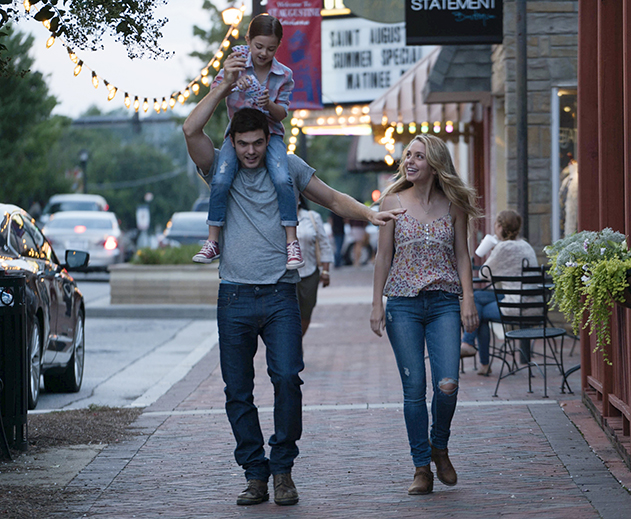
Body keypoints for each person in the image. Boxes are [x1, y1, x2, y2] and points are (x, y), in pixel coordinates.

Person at [183, 96, 404, 505]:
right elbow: (190, 130)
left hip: (281, 293)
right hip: (233, 294)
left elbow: (332, 198)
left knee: (287, 378)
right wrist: (223, 85)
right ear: (232, 141)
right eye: (243, 143)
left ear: (269, 140)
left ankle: (282, 468)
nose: (251, 151)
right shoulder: (218, 166)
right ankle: (254, 473)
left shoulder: (287, 167)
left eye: (258, 142)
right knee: (237, 390)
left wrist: (369, 213)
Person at [370, 134, 481, 495]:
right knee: (414, 388)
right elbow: (383, 257)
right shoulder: (392, 202)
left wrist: (468, 300)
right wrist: (376, 304)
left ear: (434, 164)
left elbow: (463, 256)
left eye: (419, 156)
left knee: (447, 384)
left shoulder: (453, 205)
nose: (410, 161)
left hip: (445, 301)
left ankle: (440, 445)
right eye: (407, 155)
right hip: (402, 304)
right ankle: (422, 467)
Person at [193, 14, 302, 269]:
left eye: (271, 48)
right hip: (238, 134)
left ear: (278, 46)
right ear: (248, 41)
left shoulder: (284, 74)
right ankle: (212, 241)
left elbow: (282, 113)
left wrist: (269, 104)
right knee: (220, 178)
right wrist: (232, 82)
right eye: (259, 46)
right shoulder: (236, 63)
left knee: (282, 178)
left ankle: (291, 242)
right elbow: (216, 92)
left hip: (270, 134)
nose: (264, 53)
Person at [462, 210, 539, 373]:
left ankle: (470, 347)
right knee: (478, 298)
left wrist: (493, 249)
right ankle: (480, 361)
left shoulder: (503, 247)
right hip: (534, 305)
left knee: (477, 309)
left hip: (517, 307)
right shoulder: (525, 244)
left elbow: (484, 273)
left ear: (499, 226)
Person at [296, 197, 333, 336]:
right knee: (288, 315)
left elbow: (324, 244)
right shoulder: (276, 216)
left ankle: (298, 341)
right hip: (285, 276)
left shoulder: (312, 217)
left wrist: (326, 271)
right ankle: (293, 345)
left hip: (309, 273)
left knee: (306, 312)